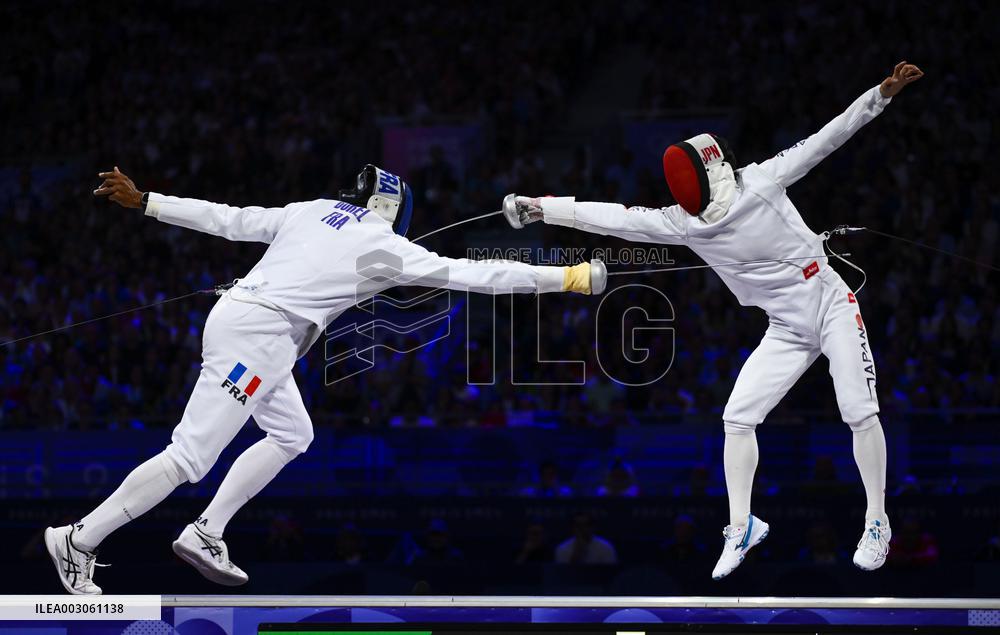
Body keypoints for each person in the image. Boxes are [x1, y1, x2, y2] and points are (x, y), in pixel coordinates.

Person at [44, 164, 607, 595]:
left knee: (294, 435)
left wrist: (149, 202)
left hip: (248, 327)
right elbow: (476, 275)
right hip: (260, 340)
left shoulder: (310, 210)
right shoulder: (384, 244)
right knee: (190, 457)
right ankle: (79, 538)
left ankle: (206, 531)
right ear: (391, 207)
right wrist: (567, 278)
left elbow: (229, 218)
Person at [504, 62, 923, 579]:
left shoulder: (763, 181)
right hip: (786, 327)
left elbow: (828, 137)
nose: (683, 195)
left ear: (710, 171)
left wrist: (880, 94)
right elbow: (614, 217)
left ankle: (877, 520)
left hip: (830, 304)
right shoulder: (682, 221)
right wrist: (543, 208)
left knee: (858, 410)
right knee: (737, 418)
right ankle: (742, 524)